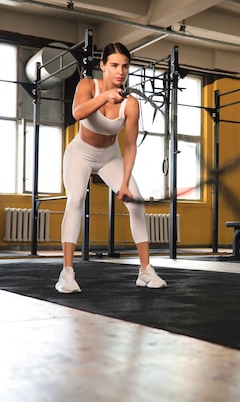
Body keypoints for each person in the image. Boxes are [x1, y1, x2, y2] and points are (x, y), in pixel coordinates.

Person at [55, 42, 167, 293]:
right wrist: (104, 96)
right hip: (80, 153)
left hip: (110, 156)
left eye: (125, 66)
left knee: (137, 202)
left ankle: (145, 271)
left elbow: (129, 146)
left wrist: (125, 183)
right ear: (103, 65)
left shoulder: (131, 104)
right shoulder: (88, 85)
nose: (120, 71)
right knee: (76, 199)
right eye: (114, 65)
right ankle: (67, 273)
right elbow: (77, 112)